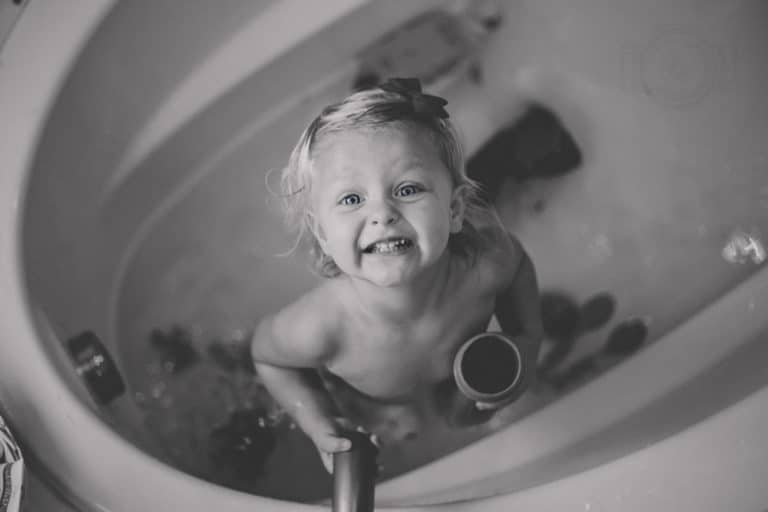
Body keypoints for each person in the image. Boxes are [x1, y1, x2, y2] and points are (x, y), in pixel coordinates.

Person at [251, 78, 542, 472]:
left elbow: (519, 266)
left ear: (455, 211)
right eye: (352, 199)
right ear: (321, 233)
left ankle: (525, 141)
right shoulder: (321, 329)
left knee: (487, 197)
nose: (382, 212)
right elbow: (268, 358)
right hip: (379, 402)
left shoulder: (485, 266)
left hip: (453, 363)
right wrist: (317, 420)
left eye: (407, 189)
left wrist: (525, 336)